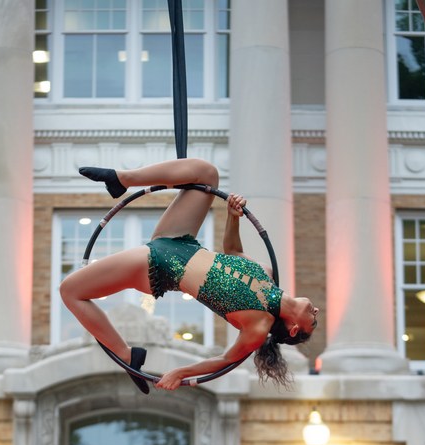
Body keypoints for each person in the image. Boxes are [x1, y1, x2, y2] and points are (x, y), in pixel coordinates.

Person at [61, 159, 318, 394]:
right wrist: (232, 216)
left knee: (70, 290)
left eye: (313, 321)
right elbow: (234, 251)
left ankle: (127, 356)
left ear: (294, 328)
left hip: (159, 267)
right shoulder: (267, 273)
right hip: (181, 241)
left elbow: (225, 360)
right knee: (207, 174)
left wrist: (181, 372)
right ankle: (122, 179)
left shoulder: (258, 326)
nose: (316, 311)